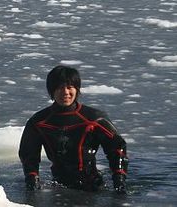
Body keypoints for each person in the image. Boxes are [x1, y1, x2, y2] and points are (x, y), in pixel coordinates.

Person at [18, 65, 128, 193]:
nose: (65, 92)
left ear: (77, 90)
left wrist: (119, 180)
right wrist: (32, 180)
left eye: (70, 87)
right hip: (58, 187)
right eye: (60, 88)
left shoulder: (94, 119)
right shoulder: (38, 122)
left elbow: (117, 148)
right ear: (51, 91)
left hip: (92, 187)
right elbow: (28, 155)